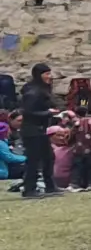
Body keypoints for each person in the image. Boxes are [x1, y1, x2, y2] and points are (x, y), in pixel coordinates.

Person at [15, 64, 58, 197]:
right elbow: (28, 112)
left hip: (41, 129)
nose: (49, 77)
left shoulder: (42, 89)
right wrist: (48, 113)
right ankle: (29, 189)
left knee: (48, 157)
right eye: (46, 74)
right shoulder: (33, 91)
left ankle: (50, 186)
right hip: (31, 130)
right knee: (33, 160)